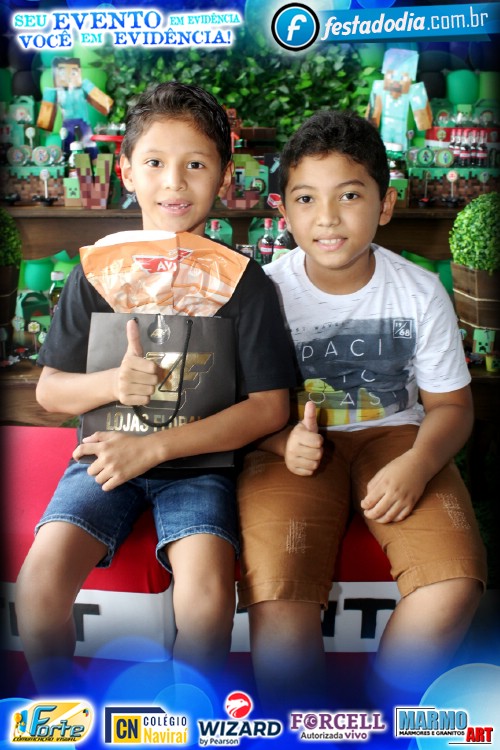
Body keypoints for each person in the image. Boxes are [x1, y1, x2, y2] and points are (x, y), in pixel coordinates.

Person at [15, 82, 295, 691]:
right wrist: (112, 382)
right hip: (104, 455)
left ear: (224, 177)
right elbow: (50, 392)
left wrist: (157, 448)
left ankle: (187, 720)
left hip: (199, 466)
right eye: (155, 163)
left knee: (208, 601)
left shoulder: (245, 282)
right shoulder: (94, 272)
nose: (174, 182)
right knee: (37, 589)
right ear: (126, 172)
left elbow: (271, 407)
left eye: (196, 164)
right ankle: (61, 710)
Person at [236, 110, 487, 710]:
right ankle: (301, 730)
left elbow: (452, 406)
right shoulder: (262, 293)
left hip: (398, 439)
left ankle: (379, 714)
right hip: (290, 447)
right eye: (306, 198)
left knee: (454, 584)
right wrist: (277, 442)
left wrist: (418, 464)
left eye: (349, 195)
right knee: (278, 597)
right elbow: (237, 405)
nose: (327, 217)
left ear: (385, 204)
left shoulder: (419, 290)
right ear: (283, 210)